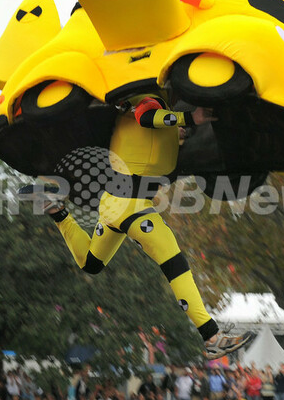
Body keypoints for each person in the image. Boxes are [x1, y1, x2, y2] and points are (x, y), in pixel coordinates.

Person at [23, 96, 255, 359]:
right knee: (174, 264)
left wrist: (181, 130)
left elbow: (154, 132)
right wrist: (191, 118)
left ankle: (56, 211)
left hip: (114, 203)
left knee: (91, 263)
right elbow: (147, 116)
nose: (181, 131)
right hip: (129, 204)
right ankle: (212, 337)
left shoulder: (141, 118)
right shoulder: (147, 103)